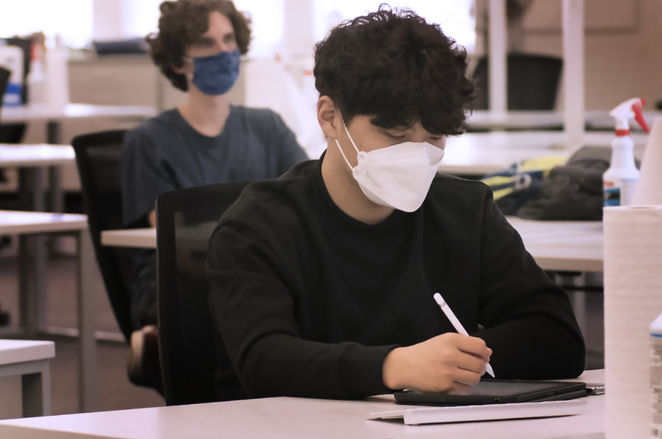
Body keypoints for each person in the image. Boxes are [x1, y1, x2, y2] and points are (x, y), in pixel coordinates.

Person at [207, 5, 585, 400]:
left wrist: (457, 362)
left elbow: (557, 336)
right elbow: (264, 361)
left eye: (435, 137)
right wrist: (396, 366)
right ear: (330, 117)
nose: (417, 155)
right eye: (395, 135)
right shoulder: (257, 228)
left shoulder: (465, 211)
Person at [120, 0, 308, 388]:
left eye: (228, 39)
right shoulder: (149, 141)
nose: (223, 52)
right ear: (177, 61)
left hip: (260, 271)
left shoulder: (267, 127)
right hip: (181, 282)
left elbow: (307, 201)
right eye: (206, 43)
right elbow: (179, 239)